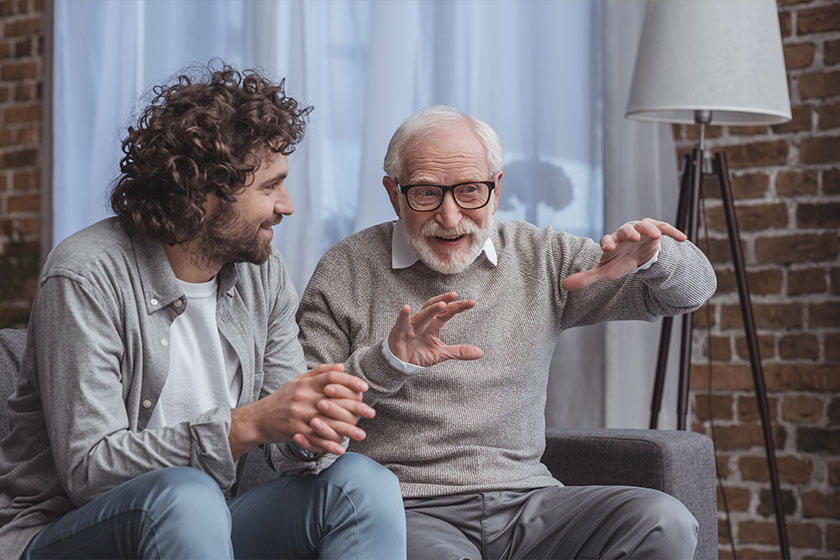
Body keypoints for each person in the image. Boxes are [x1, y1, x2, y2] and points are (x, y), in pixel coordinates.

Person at [0, 63, 406, 559]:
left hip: (207, 518)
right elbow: (91, 470)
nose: (288, 205)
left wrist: (311, 429)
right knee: (188, 497)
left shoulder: (262, 270)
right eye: (270, 187)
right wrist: (248, 424)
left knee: (361, 485)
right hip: (68, 530)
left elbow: (286, 445)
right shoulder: (85, 274)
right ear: (203, 194)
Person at [297, 105, 717, 559]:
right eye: (425, 194)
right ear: (393, 193)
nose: (451, 216)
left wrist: (657, 259)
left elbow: (691, 293)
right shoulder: (347, 269)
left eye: (470, 191)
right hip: (407, 509)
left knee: (662, 520)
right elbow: (299, 426)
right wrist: (388, 361)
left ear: (496, 190)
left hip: (529, 503)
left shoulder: (542, 256)